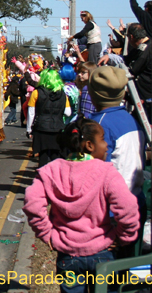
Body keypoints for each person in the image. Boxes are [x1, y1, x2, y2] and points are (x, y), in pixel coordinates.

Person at [23, 118, 140, 293]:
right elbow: (128, 207)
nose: (107, 145)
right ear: (89, 145)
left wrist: (46, 234)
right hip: (103, 252)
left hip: (67, 255)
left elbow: (32, 203)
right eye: (102, 139)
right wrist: (124, 237)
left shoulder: (51, 170)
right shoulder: (106, 172)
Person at [85, 66, 146, 233]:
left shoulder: (99, 125)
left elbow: (95, 172)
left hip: (111, 209)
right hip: (136, 201)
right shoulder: (131, 119)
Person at [26, 69, 71, 167]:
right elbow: (68, 113)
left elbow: (31, 113)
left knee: (43, 155)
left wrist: (29, 129)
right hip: (57, 128)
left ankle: (42, 177)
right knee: (55, 155)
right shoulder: (63, 94)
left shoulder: (36, 93)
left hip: (41, 127)